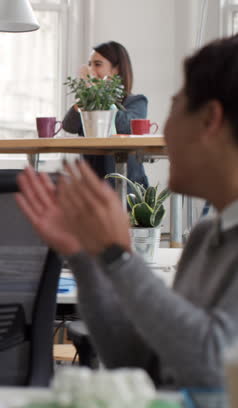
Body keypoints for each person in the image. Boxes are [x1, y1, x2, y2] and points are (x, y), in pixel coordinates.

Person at [16, 34, 238, 388]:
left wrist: (121, 258)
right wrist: (84, 256)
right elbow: (143, 363)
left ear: (210, 119)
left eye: (175, 106)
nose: (161, 130)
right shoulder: (204, 239)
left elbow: (214, 367)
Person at [61, 41, 148, 187]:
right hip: (91, 184)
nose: (91, 70)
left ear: (116, 69)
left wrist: (96, 92)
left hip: (127, 184)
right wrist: (86, 96)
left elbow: (125, 125)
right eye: (89, 64)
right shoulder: (87, 102)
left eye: (97, 64)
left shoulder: (136, 101)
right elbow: (69, 125)